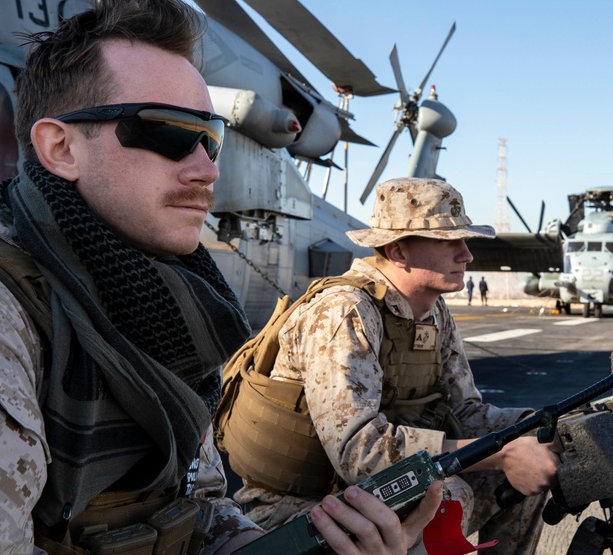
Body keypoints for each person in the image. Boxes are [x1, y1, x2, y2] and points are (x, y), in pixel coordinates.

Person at [0, 0, 440, 555]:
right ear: (59, 146)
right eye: (166, 131)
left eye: (211, 137)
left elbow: (197, 506)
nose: (207, 167)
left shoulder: (153, 301)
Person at [230, 178, 560, 555]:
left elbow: (466, 413)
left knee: (533, 466)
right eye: (449, 241)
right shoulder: (344, 310)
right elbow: (359, 452)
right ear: (398, 250)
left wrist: (539, 427)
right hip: (301, 509)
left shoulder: (435, 313)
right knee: (446, 495)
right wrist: (499, 454)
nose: (466, 255)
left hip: (363, 491)